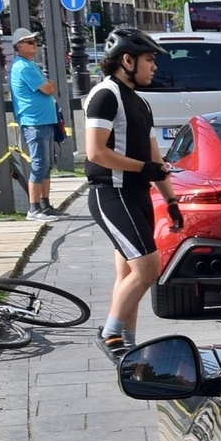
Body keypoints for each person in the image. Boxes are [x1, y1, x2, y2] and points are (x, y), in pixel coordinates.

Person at [82, 28, 167, 359]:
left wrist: (170, 199)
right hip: (112, 192)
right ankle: (110, 334)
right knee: (148, 268)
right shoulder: (106, 96)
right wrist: (142, 168)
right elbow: (95, 152)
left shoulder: (140, 102)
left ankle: (128, 348)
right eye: (149, 60)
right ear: (127, 60)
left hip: (137, 193)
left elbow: (154, 156)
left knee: (130, 273)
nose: (154, 67)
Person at [6, 30, 60, 213]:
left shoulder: (30, 65)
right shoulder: (24, 67)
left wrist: (50, 86)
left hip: (43, 120)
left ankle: (45, 204)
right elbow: (48, 88)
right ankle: (34, 208)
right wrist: (50, 85)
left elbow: (50, 87)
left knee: (46, 165)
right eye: (30, 42)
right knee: (39, 165)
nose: (34, 44)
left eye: (35, 41)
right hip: (34, 121)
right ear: (19, 46)